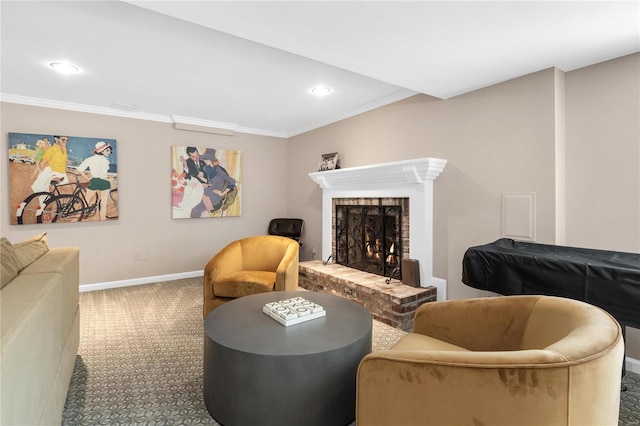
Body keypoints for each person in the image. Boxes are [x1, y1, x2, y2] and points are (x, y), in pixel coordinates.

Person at [190, 148, 237, 218]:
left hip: (214, 196)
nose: (205, 161)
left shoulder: (219, 171)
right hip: (208, 191)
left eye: (206, 159)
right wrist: (204, 181)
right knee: (193, 199)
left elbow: (232, 182)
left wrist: (222, 193)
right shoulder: (208, 168)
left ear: (211, 159)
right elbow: (210, 182)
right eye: (204, 159)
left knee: (195, 209)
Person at [77, 141, 113, 220]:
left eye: (109, 150)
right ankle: (102, 219)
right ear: (101, 151)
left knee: (86, 200)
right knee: (103, 204)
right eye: (107, 150)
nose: (109, 152)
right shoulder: (106, 161)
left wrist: (87, 178)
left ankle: (78, 217)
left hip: (94, 181)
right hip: (104, 182)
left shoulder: (90, 159)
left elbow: (79, 169)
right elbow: (104, 174)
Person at [31, 135, 70, 206]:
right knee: (49, 196)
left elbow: (62, 161)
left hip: (62, 173)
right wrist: (52, 176)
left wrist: (67, 168)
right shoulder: (51, 150)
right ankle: (45, 210)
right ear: (56, 139)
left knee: (67, 194)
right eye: (63, 140)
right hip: (54, 174)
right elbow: (41, 164)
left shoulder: (64, 149)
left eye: (67, 140)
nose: (65, 142)